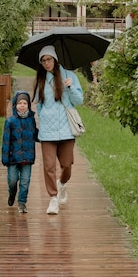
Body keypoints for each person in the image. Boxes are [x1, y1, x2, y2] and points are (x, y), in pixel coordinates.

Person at [34, 45, 84, 215]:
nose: (47, 63)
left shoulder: (70, 76)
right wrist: (44, 119)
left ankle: (62, 184)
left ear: (55, 59)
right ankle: (53, 199)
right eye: (43, 61)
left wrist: (70, 87)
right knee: (48, 166)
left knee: (67, 165)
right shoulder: (40, 80)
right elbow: (39, 105)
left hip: (66, 129)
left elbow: (79, 101)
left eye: (49, 59)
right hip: (47, 130)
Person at [1, 90, 38, 214]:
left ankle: (22, 202)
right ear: (15, 105)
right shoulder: (10, 121)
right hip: (13, 157)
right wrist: (5, 158)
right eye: (19, 103)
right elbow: (6, 141)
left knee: (25, 181)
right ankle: (12, 194)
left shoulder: (31, 120)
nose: (22, 105)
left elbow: (35, 135)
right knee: (12, 180)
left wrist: (47, 135)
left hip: (27, 157)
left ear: (28, 105)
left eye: (25, 103)